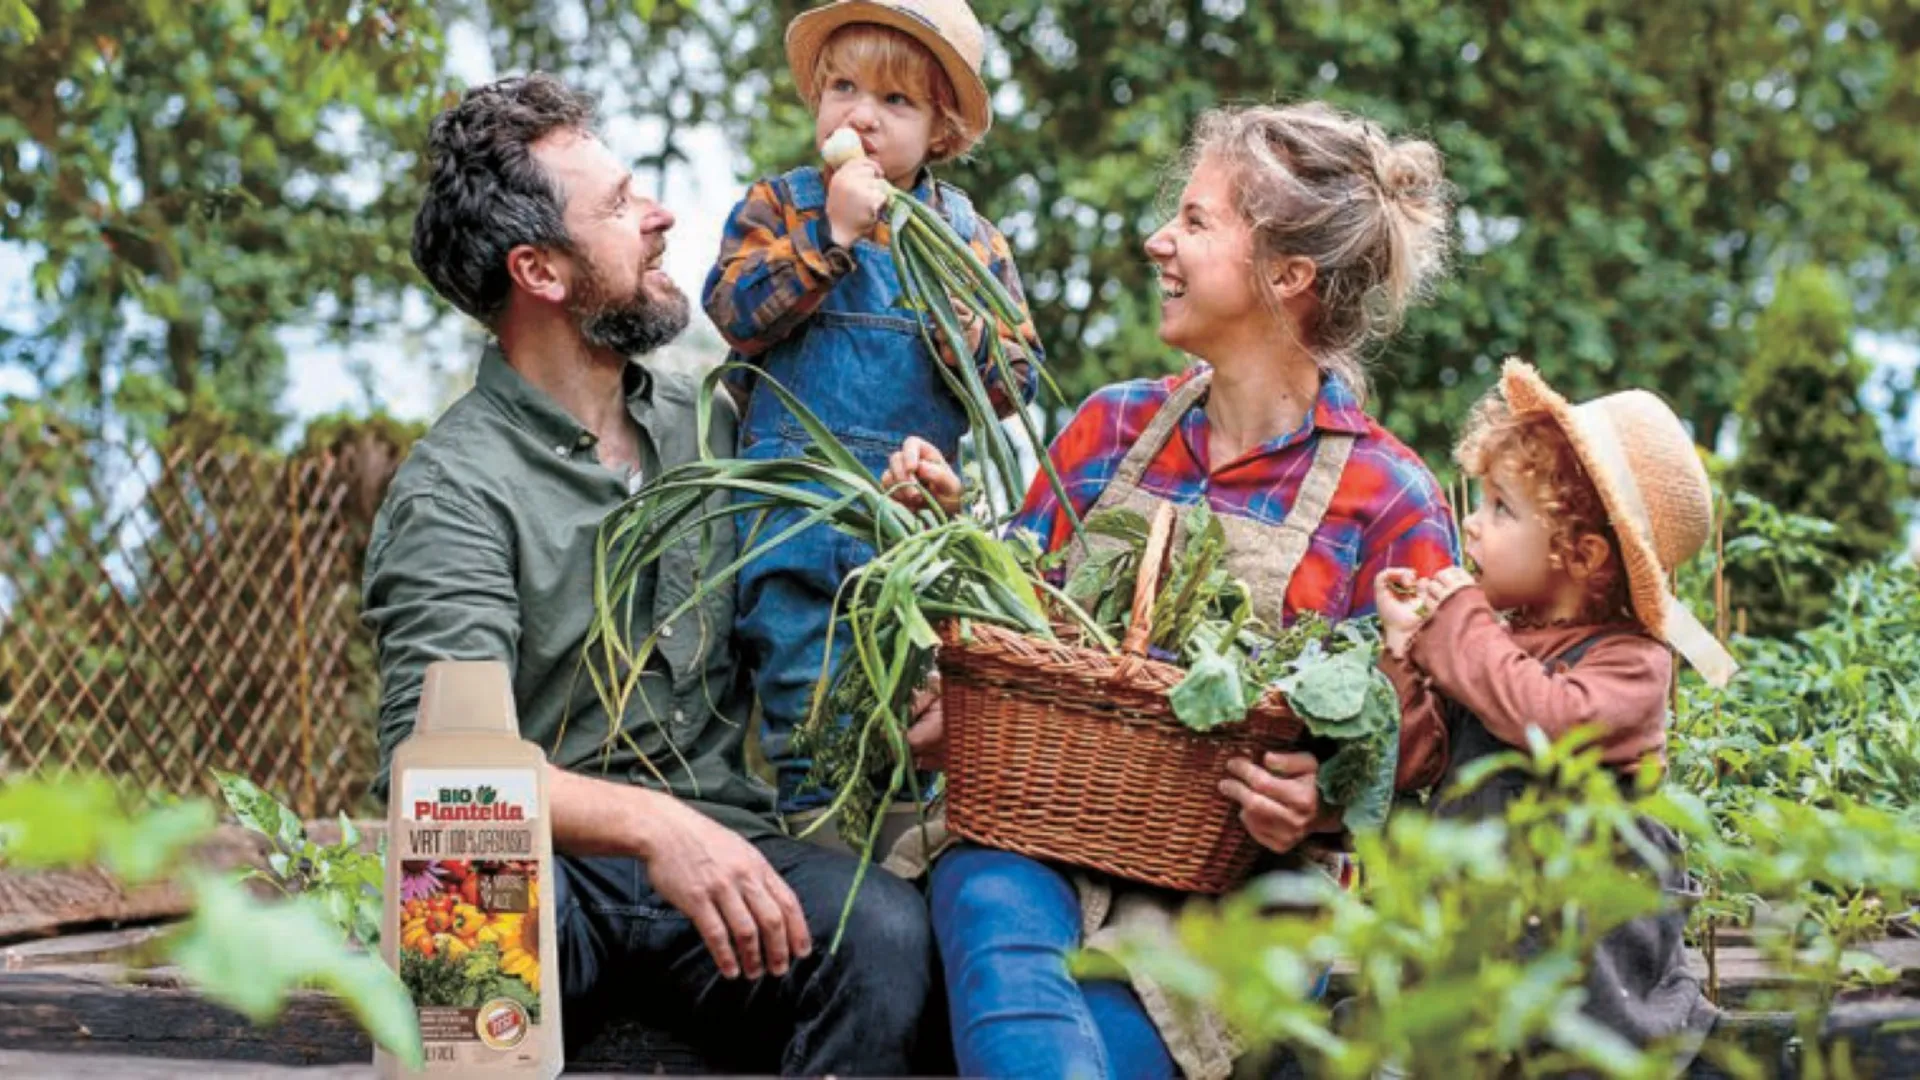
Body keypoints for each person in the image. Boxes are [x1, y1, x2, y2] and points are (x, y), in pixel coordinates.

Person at [363, 73, 935, 1075]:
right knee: (454, 890)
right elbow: (441, 774)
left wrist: (904, 558)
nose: (663, 215)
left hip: (725, 876)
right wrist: (649, 825)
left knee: (881, 931)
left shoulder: (719, 430)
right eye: (623, 206)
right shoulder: (451, 491)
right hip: (553, 881)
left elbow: (810, 611)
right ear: (540, 271)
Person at [882, 101, 1459, 1080]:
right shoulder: (1109, 433)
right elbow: (1013, 629)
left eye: (1195, 221)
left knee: (1085, 1053)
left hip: (1239, 892)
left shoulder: (1388, 497)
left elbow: (1424, 739)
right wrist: (951, 560)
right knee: (991, 910)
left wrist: (1325, 798)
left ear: (1287, 275)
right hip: (1040, 837)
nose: (1159, 240)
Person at [702, 0, 1043, 815]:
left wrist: (972, 340)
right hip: (791, 518)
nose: (863, 114)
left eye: (897, 101)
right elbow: (733, 312)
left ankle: (904, 845)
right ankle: (821, 841)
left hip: (909, 528)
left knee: (912, 712)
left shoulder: (971, 237)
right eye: (845, 88)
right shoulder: (781, 206)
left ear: (943, 131)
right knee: (809, 712)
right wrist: (832, 239)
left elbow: (1018, 380)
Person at [1376, 359, 1735, 1061]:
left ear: (1582, 553)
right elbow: (1413, 759)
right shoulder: (1493, 646)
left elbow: (1548, 719)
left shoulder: (1634, 663)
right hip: (1486, 948)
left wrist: (1457, 623)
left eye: (1501, 509)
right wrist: (1402, 652)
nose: (1471, 528)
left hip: (1591, 973)